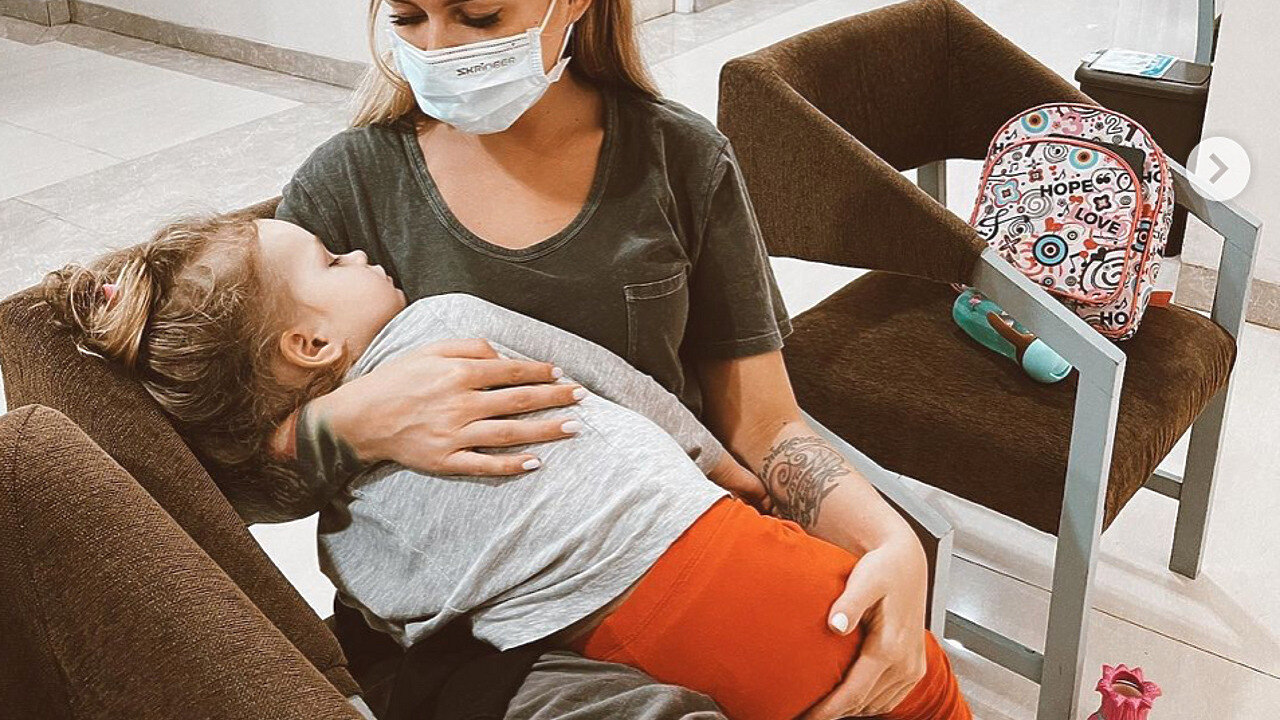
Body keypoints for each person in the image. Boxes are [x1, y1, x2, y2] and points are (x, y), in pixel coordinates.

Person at [266, 0, 960, 716]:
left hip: (658, 565)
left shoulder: (678, 158)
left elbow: (763, 425)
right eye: (408, 18)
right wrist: (347, 426)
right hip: (459, 638)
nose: (437, 49)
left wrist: (890, 543)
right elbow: (241, 484)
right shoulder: (346, 187)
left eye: (480, 17)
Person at [40, 214, 970, 719]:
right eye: (332, 259)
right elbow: (621, 388)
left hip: (612, 654)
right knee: (923, 696)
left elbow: (421, 626)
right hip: (739, 565)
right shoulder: (437, 322)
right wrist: (724, 471)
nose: (358, 250)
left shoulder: (346, 550)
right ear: (310, 341)